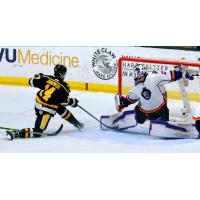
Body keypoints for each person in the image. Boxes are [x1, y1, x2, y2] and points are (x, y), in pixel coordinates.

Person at [8, 64, 84, 139]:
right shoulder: (64, 87)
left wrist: (38, 76)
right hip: (45, 110)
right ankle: (17, 134)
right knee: (38, 132)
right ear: (61, 74)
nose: (64, 75)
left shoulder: (48, 78)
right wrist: (72, 102)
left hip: (38, 103)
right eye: (64, 73)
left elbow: (30, 82)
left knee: (60, 108)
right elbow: (64, 102)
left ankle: (77, 124)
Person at [115, 64, 194, 124]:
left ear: (144, 74)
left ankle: (162, 122)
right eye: (137, 78)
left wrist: (183, 73)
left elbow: (172, 75)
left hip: (160, 110)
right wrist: (122, 104)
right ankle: (137, 118)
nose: (138, 80)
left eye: (140, 77)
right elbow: (130, 99)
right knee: (138, 120)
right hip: (144, 111)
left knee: (162, 125)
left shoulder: (154, 77)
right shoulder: (135, 88)